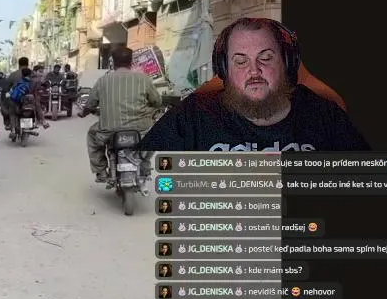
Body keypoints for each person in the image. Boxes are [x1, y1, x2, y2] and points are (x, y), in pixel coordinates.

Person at [140, 18, 371, 152]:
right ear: (224, 70)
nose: (254, 70)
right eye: (241, 61)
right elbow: (142, 179)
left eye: (266, 58)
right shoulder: (192, 116)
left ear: (287, 63)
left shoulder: (325, 115)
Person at [82, 45, 164, 183]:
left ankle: (101, 171)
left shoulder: (103, 81)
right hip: (141, 128)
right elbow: (157, 101)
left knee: (92, 135)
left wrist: (84, 113)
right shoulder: (143, 79)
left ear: (113, 62)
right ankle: (145, 163)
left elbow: (90, 104)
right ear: (131, 62)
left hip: (109, 129)